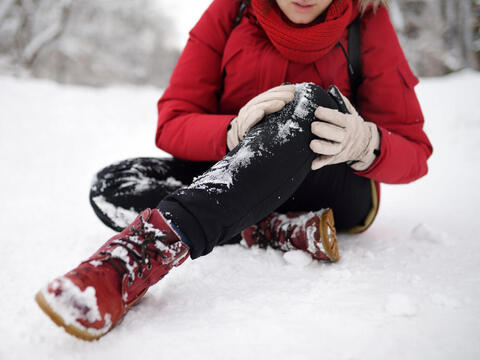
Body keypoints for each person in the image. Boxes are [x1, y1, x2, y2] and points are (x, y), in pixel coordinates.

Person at [35, 0, 432, 341]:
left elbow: (415, 152)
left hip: (333, 183)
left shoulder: (367, 19)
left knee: (306, 102)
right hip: (237, 173)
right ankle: (269, 228)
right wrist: (232, 130)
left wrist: (367, 142)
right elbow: (172, 120)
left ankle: (137, 257)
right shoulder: (232, 11)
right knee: (113, 185)